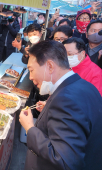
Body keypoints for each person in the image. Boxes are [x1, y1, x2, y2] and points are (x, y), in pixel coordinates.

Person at [20, 40, 102, 170]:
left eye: (31, 70)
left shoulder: (66, 100)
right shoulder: (85, 86)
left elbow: (64, 160)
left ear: (50, 66)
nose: (30, 77)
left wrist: (30, 128)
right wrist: (48, 110)